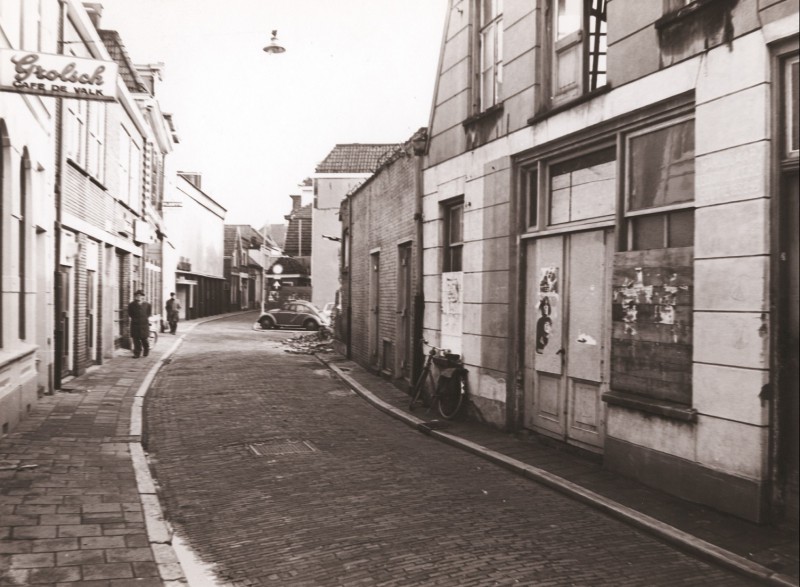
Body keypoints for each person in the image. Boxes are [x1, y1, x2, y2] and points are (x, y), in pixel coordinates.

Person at [128, 289, 152, 358]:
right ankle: (137, 353)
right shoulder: (131, 305)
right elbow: (130, 314)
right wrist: (136, 319)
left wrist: (144, 319)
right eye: (137, 296)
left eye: (140, 296)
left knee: (144, 339)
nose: (138, 297)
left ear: (143, 297)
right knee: (136, 339)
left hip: (144, 324)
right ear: (135, 297)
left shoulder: (147, 305)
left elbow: (148, 313)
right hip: (135, 324)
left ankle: (146, 350)